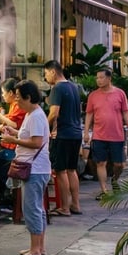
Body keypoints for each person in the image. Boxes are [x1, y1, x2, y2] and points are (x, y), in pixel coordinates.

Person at [1, 80, 50, 255]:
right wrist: (14, 134)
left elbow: (36, 143)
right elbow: (29, 137)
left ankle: (35, 251)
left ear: (29, 98)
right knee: (38, 209)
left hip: (35, 169)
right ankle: (39, 247)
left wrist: (13, 141)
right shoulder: (32, 114)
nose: (17, 102)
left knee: (32, 209)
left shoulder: (36, 116)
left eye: (20, 98)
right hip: (37, 168)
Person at [83, 68, 128, 198]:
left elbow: (125, 112)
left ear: (109, 78)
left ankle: (115, 180)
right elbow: (89, 114)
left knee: (119, 164)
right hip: (99, 134)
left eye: (101, 77)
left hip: (117, 134)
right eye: (97, 78)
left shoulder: (120, 94)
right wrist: (87, 132)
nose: (98, 80)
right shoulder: (93, 95)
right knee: (100, 163)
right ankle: (104, 190)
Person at [43, 60, 84, 215]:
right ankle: (76, 205)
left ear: (53, 72)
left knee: (60, 171)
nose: (46, 77)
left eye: (46, 73)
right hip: (75, 134)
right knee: (72, 170)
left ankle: (65, 207)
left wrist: (44, 126)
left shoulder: (57, 89)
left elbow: (54, 113)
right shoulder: (73, 87)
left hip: (63, 135)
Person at [0, 78, 25, 209]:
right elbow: (4, 124)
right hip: (12, 145)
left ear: (11, 93)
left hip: (15, 148)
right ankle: (0, 197)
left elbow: (13, 124)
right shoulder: (14, 106)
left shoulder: (18, 106)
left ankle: (4, 199)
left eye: (3, 92)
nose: (2, 95)